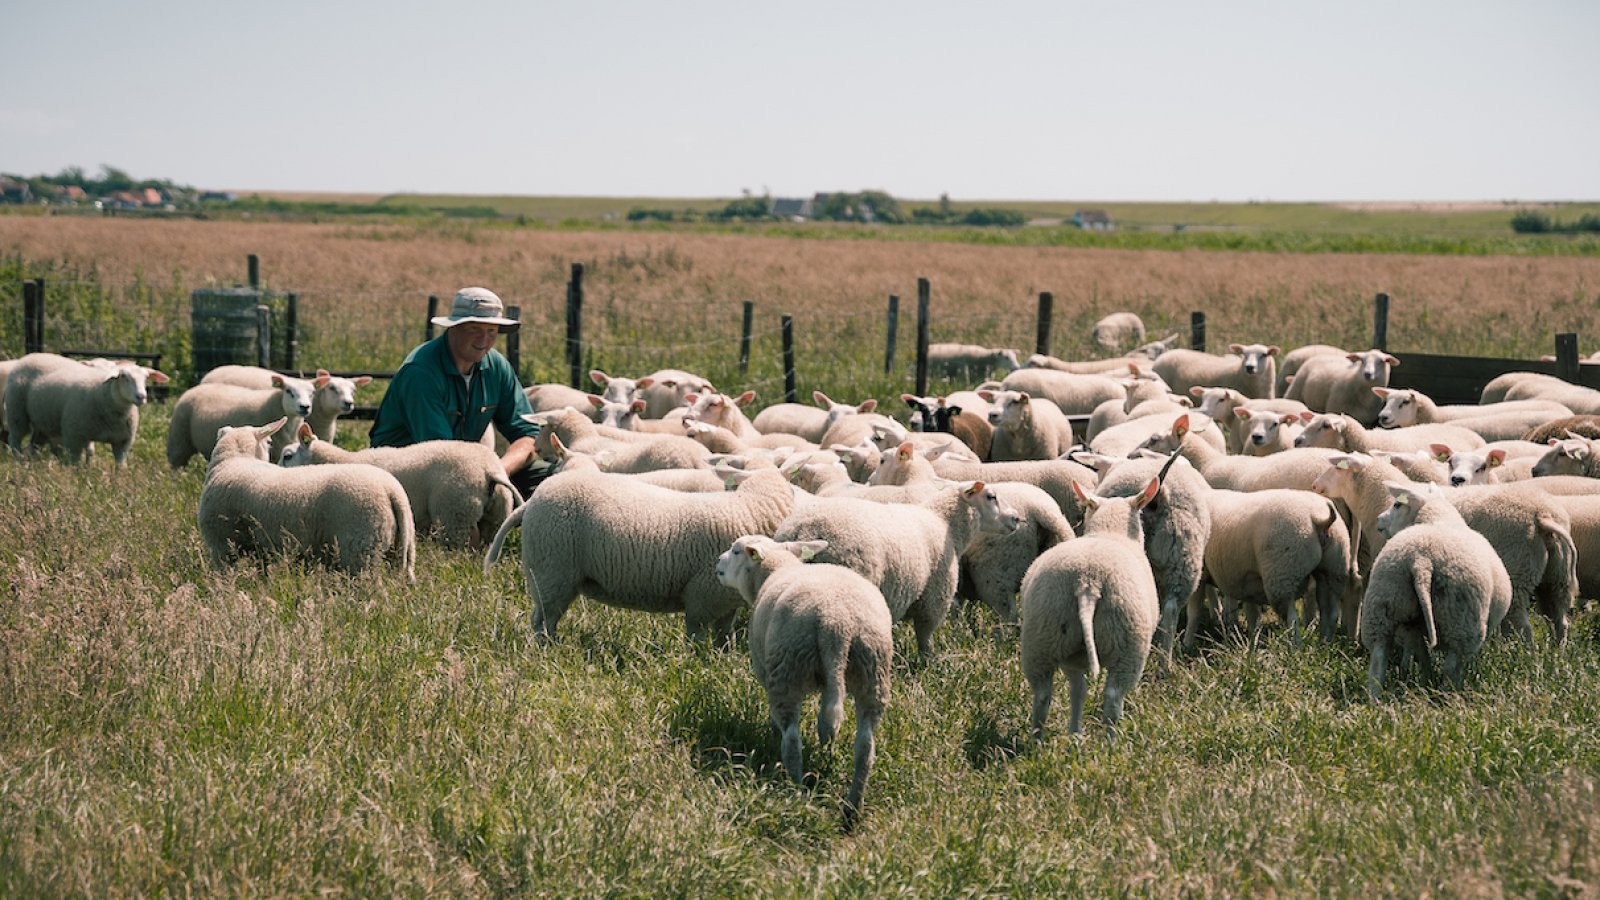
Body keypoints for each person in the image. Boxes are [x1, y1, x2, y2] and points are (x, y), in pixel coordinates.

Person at [370, 286, 551, 496]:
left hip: (464, 468)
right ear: (453, 328)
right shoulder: (421, 373)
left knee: (553, 480)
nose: (484, 341)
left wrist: (500, 472)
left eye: (491, 331)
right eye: (474, 329)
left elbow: (528, 432)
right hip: (403, 474)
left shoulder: (496, 367)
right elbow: (440, 453)